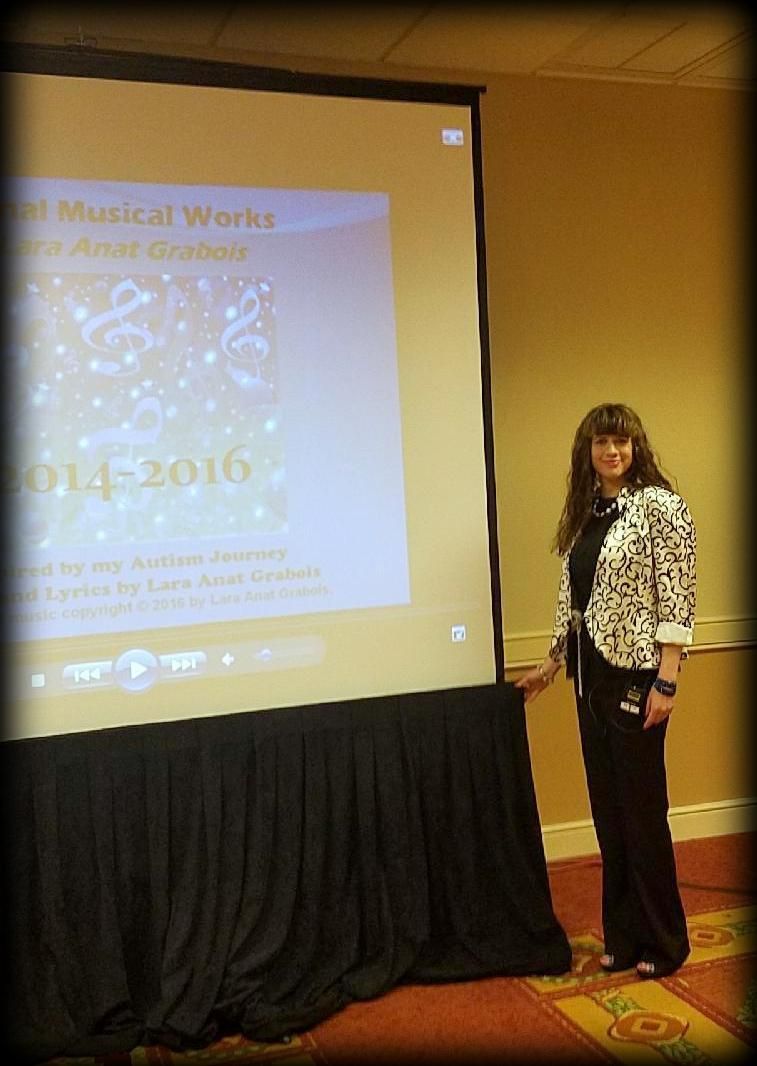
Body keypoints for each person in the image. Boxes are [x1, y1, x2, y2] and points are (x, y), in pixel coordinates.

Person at [516, 402, 696, 980]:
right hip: (588, 680)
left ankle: (664, 942)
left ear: (636, 447)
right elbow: (573, 604)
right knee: (609, 815)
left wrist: (666, 680)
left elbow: (677, 597)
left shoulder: (660, 508)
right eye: (601, 443)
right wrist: (550, 666)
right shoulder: (587, 513)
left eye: (620, 441)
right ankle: (622, 936)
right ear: (587, 451)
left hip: (638, 678)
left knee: (642, 815)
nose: (611, 451)